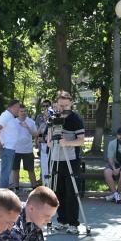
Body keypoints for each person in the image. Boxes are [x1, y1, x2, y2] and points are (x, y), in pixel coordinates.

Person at [47, 91, 85, 233]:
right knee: (58, 192)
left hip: (71, 160)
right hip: (56, 159)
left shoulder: (75, 119)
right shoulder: (53, 118)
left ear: (71, 104)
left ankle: (73, 223)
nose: (63, 108)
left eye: (66, 105)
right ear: (56, 104)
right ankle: (62, 220)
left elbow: (81, 140)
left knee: (71, 192)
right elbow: (49, 142)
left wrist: (67, 142)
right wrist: (51, 140)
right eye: (60, 105)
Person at [0, 100, 21, 188]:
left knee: (7, 171)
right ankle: (3, 194)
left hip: (10, 148)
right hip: (7, 148)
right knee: (6, 171)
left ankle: (4, 193)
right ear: (11, 107)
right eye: (17, 107)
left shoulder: (10, 116)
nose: (19, 109)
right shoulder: (6, 115)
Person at [11, 107, 37, 191]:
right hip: (15, 150)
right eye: (21, 111)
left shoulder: (31, 122)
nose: (23, 113)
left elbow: (35, 134)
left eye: (25, 111)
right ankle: (16, 188)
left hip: (28, 150)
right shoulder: (13, 122)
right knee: (15, 170)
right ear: (18, 112)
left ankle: (34, 189)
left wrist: (27, 127)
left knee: (30, 170)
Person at [35, 100, 52, 185]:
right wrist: (36, 142)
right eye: (43, 106)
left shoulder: (53, 116)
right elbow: (37, 131)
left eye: (47, 106)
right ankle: (43, 180)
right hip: (42, 142)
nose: (45, 107)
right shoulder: (39, 117)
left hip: (51, 143)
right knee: (43, 163)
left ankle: (51, 181)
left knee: (51, 162)